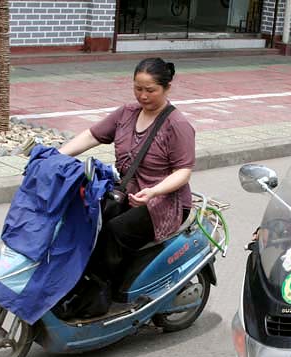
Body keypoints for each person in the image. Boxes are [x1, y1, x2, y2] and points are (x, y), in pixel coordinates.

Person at [59, 57, 195, 292]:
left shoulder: (177, 124)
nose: (142, 96)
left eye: (150, 90)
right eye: (138, 88)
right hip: (125, 192)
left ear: (167, 88)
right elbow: (92, 135)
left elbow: (183, 171)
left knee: (115, 232)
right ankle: (71, 280)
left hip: (164, 202)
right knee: (85, 218)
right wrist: (57, 155)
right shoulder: (127, 113)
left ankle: (98, 295)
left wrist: (154, 191)